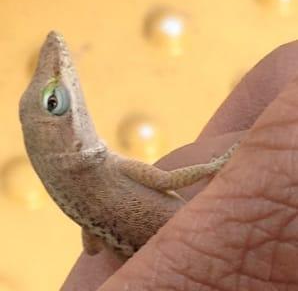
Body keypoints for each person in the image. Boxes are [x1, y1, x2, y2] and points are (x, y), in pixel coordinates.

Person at [62, 41, 298, 290]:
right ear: (76, 151)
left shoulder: (87, 207)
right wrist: (214, 166)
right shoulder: (114, 171)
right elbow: (168, 181)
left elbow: (91, 248)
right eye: (56, 103)